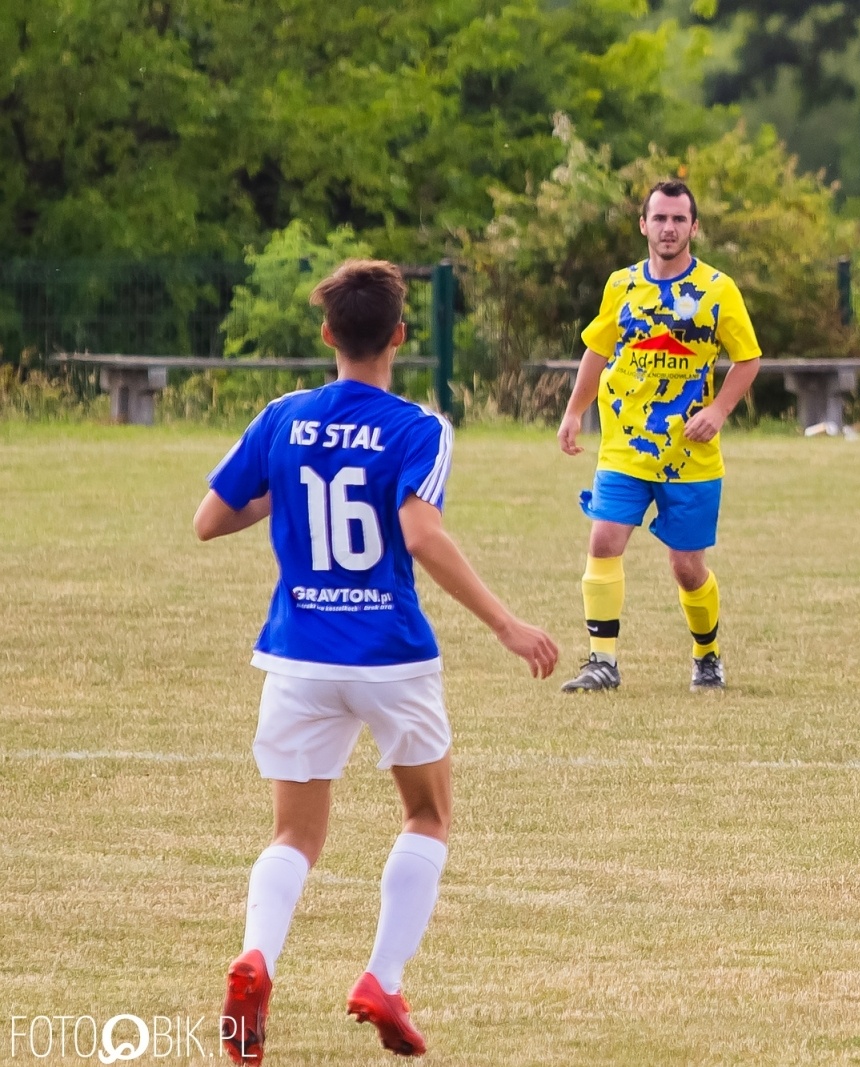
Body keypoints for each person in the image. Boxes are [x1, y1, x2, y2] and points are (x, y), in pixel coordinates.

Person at [195, 260, 561, 1062]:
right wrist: (506, 623)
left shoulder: (283, 417)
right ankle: (382, 979)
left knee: (294, 834)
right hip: (390, 655)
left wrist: (289, 490)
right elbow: (421, 533)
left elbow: (209, 519)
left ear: (328, 333)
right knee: (427, 815)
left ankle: (256, 956)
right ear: (400, 334)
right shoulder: (419, 427)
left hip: (297, 655)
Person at [557, 180, 762, 693]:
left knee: (687, 568)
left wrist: (718, 410)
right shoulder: (622, 285)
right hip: (625, 446)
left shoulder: (717, 289)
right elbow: (597, 351)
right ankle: (602, 662)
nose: (668, 228)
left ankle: (707, 655)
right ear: (643, 224)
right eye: (660, 218)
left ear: (694, 227)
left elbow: (748, 359)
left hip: (689, 454)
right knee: (603, 539)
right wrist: (574, 411)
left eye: (678, 219)